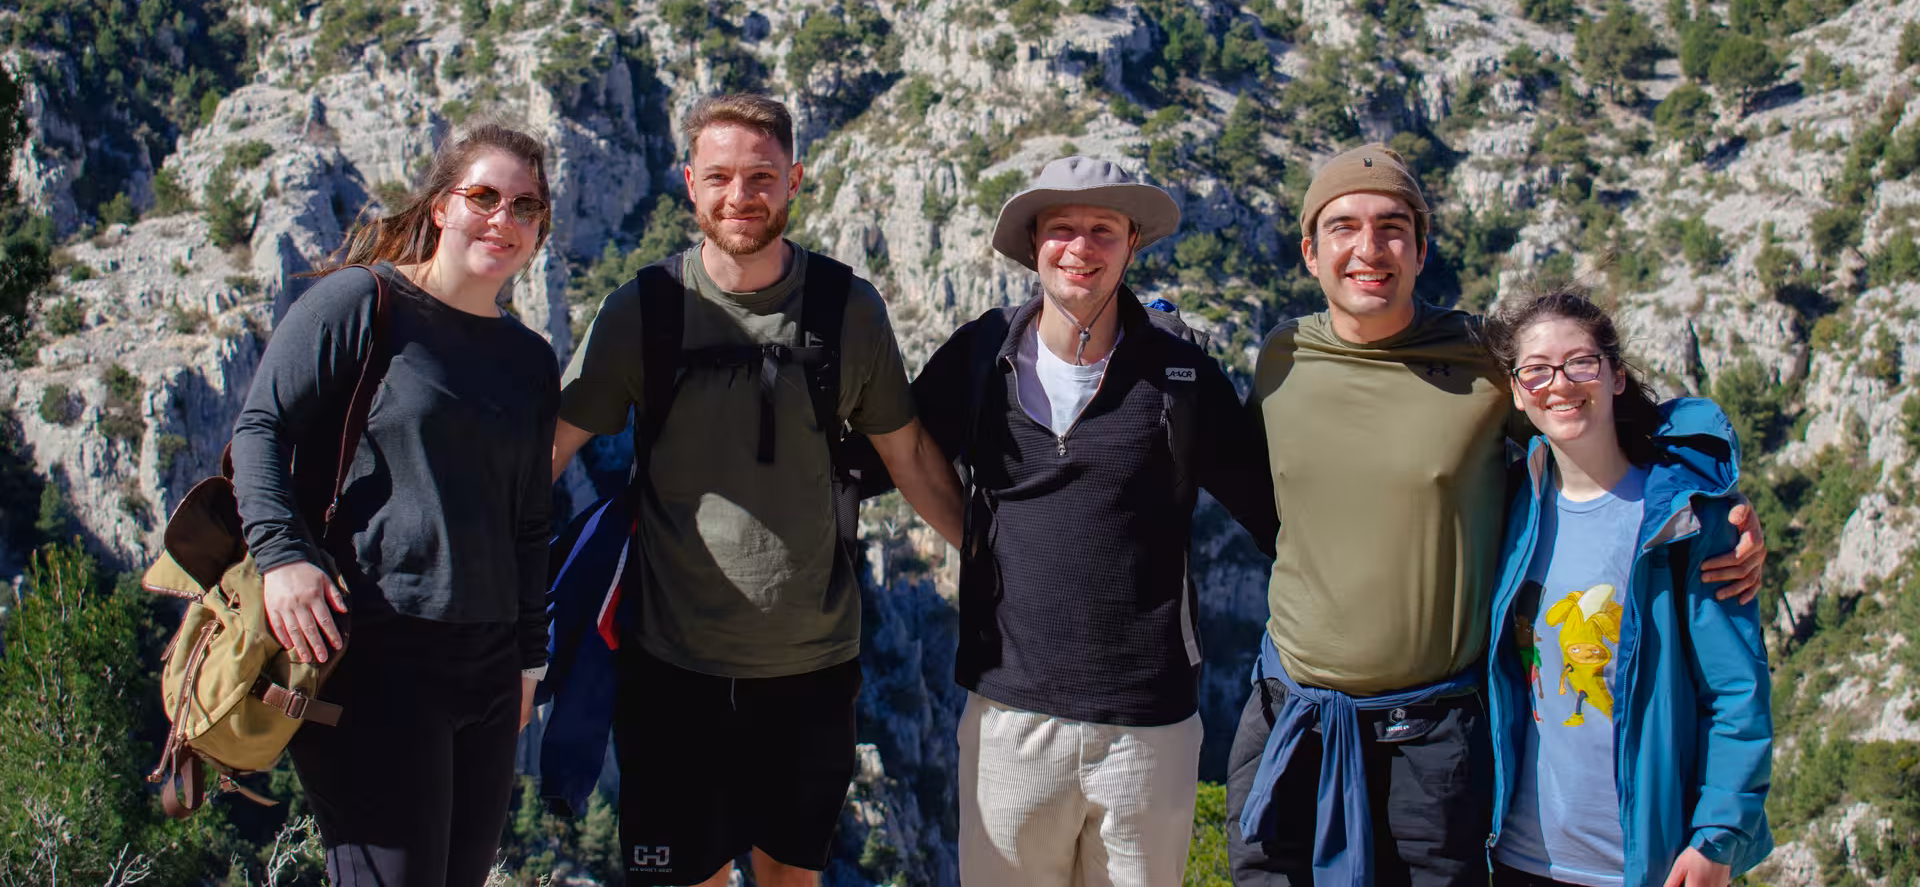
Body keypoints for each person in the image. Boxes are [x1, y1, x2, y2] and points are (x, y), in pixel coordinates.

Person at [1227, 143, 1767, 887]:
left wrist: (1720, 504)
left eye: (1392, 227)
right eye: (1343, 227)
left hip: (1434, 738)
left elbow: (1606, 424)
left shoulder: (1484, 364)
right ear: (1310, 253)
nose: (1368, 248)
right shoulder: (1281, 357)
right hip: (1294, 719)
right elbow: (1258, 495)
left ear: (1420, 250)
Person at [551, 93, 965, 887]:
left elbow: (908, 454)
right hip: (672, 669)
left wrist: (996, 563)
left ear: (795, 181)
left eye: (761, 177)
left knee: (790, 877)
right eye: (721, 177)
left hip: (809, 670)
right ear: (689, 185)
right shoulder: (644, 312)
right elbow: (555, 447)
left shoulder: (846, 310)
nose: (741, 196)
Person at [912, 155, 1279, 886]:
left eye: (1103, 230)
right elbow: (901, 455)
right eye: (1063, 229)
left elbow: (1270, 510)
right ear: (1034, 245)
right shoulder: (982, 355)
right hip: (1009, 714)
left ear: (1132, 244)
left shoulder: (1179, 369)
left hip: (1149, 725)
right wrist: (981, 542)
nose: (1081, 247)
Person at [231, 121, 562, 887]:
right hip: (374, 655)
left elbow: (529, 520)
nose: (503, 220)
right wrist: (283, 558)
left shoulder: (530, 359)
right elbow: (260, 428)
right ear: (443, 205)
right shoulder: (365, 302)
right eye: (484, 197)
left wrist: (529, 661)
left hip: (486, 670)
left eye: (525, 208)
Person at [1481, 286, 1772, 887]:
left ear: (1615, 376)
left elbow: (1736, 693)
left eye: (1581, 362)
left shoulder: (1682, 522)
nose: (1559, 384)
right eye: (1535, 371)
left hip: (1643, 864)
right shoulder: (1509, 507)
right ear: (1516, 391)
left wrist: (1717, 839)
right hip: (1518, 856)